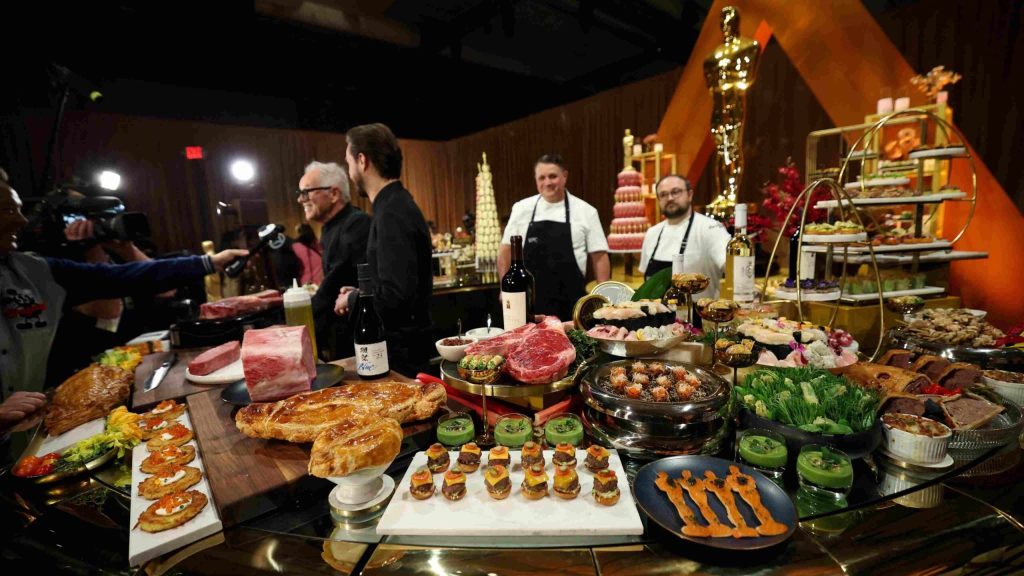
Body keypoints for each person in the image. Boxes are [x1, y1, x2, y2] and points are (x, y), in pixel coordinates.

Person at [0, 169, 248, 397]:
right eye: (8, 210)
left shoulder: (33, 269)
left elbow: (125, 277)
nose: (21, 222)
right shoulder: (48, 257)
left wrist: (207, 262)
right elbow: (108, 311)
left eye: (19, 210)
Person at [333, 123, 432, 377]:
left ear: (362, 161)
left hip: (403, 358)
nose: (350, 170)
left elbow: (396, 296)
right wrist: (360, 292)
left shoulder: (392, 213)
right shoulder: (392, 206)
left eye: (349, 162)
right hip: (401, 351)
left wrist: (351, 300)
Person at [498, 154, 610, 321]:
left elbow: (600, 257)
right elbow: (505, 251)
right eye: (541, 177)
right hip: (531, 302)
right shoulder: (521, 208)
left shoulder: (586, 211)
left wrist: (603, 298)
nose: (547, 182)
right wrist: (504, 289)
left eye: (553, 176)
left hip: (572, 303)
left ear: (564, 176)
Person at [298, 161, 371, 360]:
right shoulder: (333, 226)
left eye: (306, 192)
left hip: (360, 339)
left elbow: (335, 281)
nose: (300, 199)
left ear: (334, 193)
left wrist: (297, 327)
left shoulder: (356, 224)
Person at [638, 175, 731, 300]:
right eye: (663, 194)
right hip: (657, 317)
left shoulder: (710, 228)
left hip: (697, 316)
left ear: (690, 194)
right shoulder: (652, 233)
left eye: (675, 192)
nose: (670, 198)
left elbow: (732, 265)